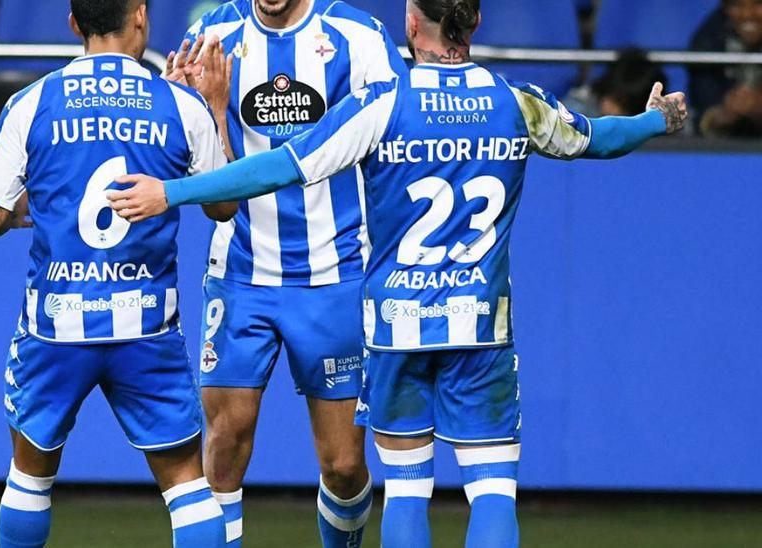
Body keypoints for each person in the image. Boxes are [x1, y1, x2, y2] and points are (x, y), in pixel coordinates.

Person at [106, 0, 687, 546]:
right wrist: (656, 120)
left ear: (411, 26)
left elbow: (279, 168)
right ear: (477, 20)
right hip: (478, 323)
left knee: (403, 486)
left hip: (393, 321)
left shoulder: (384, 101)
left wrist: (172, 192)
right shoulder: (515, 100)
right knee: (492, 490)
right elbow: (598, 138)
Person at [0, 0, 230, 545]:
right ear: (139, 15)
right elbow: (224, 205)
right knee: (187, 484)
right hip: (147, 327)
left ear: (73, 23)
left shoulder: (31, 101)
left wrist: (39, 208)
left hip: (57, 327)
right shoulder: (179, 104)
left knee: (29, 477)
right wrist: (213, 108)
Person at [163, 1, 404, 546]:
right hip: (241, 274)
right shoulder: (211, 34)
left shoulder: (358, 36)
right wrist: (198, 107)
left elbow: (399, 131)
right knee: (222, 451)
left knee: (343, 466)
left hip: (336, 273)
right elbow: (194, 168)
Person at [691, 0, 762, 136]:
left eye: (758, 4)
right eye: (736, 5)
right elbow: (702, 109)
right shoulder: (707, 40)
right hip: (726, 145)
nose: (747, 14)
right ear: (725, 8)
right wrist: (723, 114)